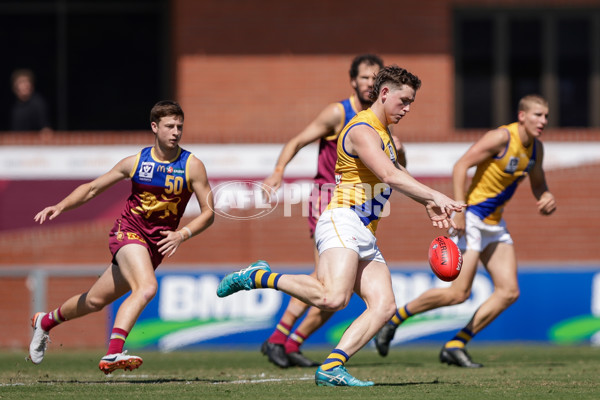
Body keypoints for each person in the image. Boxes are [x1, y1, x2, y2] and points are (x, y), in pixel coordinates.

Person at [217, 66, 465, 386]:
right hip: (342, 219)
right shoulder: (362, 129)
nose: (407, 109)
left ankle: (332, 366)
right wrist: (437, 195)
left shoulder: (384, 133)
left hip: (365, 232)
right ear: (385, 93)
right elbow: (390, 176)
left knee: (384, 305)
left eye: (411, 103)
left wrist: (428, 204)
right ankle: (255, 275)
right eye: (404, 101)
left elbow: (396, 177)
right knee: (333, 299)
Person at [28, 100, 215, 374]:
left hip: (155, 246)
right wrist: (61, 205)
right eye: (169, 126)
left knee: (94, 301)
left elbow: (209, 213)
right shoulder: (136, 162)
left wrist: (182, 234)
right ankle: (113, 352)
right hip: (127, 232)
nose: (175, 132)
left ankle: (45, 321)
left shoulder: (193, 165)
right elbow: (92, 188)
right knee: (147, 288)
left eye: (179, 126)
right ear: (154, 127)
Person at [374, 94, 557, 368]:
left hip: (494, 225)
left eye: (545, 116)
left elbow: (538, 183)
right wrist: (458, 211)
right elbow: (460, 165)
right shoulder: (501, 138)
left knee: (509, 292)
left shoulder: (536, 149)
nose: (543, 121)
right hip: (471, 218)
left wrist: (545, 196)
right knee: (457, 294)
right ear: (522, 116)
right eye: (537, 115)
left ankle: (456, 344)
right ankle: (395, 319)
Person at [260, 54, 405, 369]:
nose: (369, 82)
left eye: (374, 77)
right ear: (353, 81)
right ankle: (278, 339)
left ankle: (288, 343)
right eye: (364, 77)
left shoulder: (381, 122)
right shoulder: (340, 113)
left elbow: (395, 169)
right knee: (327, 284)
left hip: (360, 209)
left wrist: (398, 150)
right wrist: (278, 172)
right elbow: (298, 140)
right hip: (329, 201)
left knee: (334, 288)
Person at [10, 69, 52, 134]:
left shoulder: (38, 103)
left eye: (26, 82)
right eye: (21, 82)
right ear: (15, 87)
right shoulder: (14, 107)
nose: (25, 85)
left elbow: (45, 129)